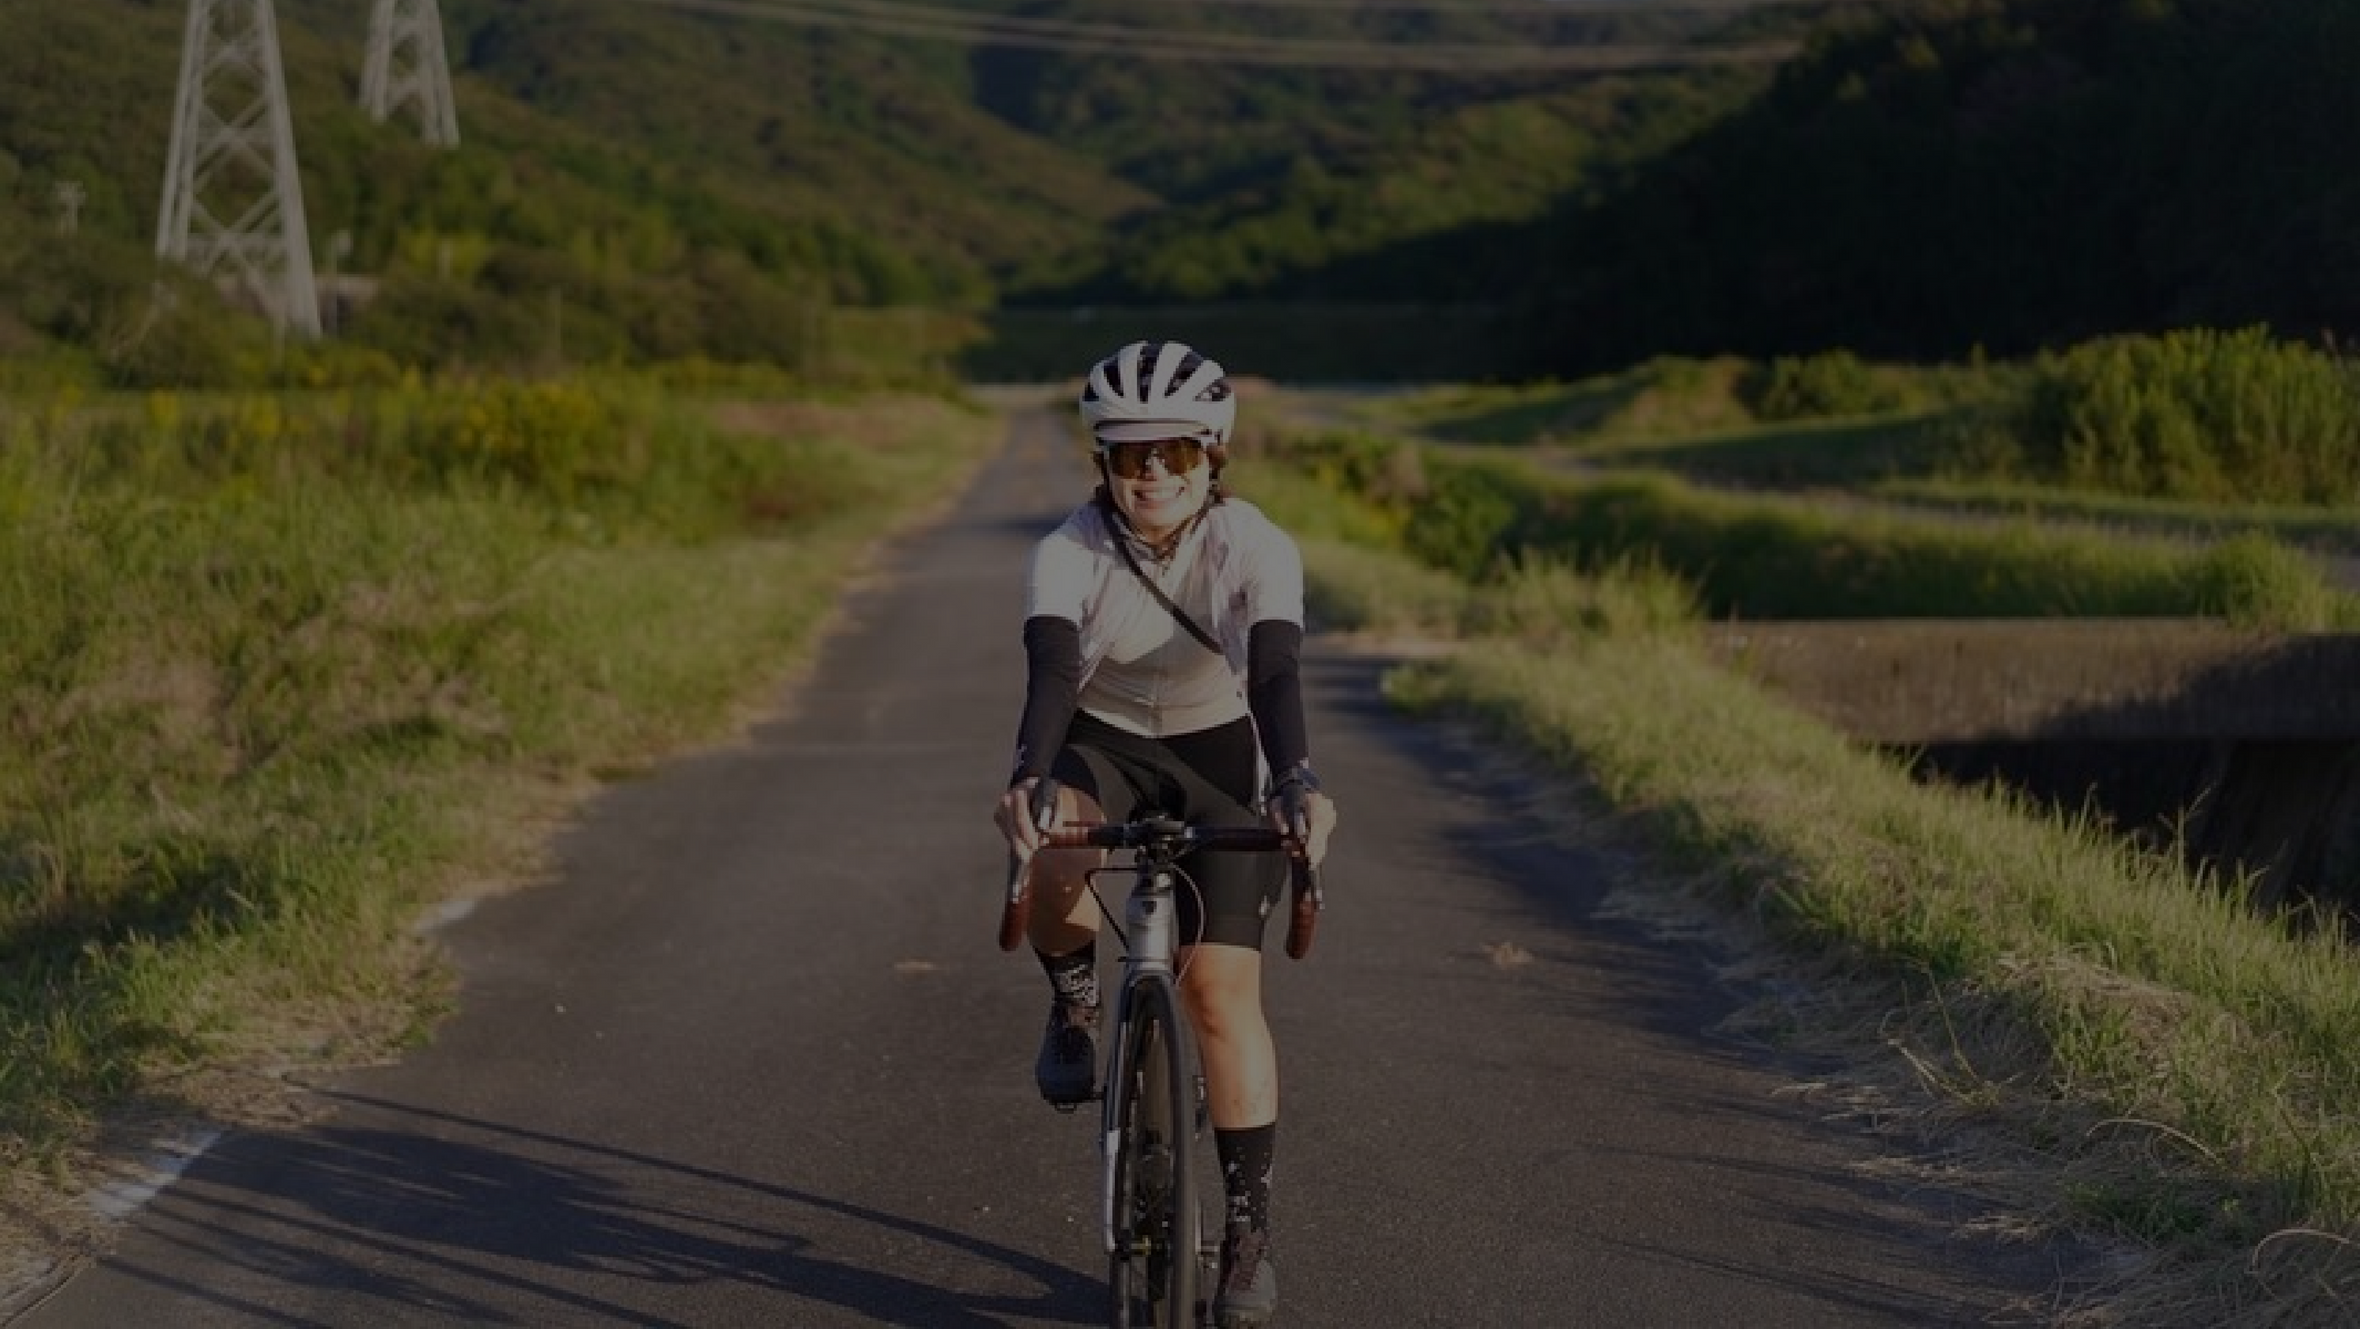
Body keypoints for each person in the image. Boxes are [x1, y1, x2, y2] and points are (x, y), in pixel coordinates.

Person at [994, 339, 1338, 1328]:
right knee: (1053, 838)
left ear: (1210, 458)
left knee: (1218, 994)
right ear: (1098, 461)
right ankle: (1073, 1000)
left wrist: (1300, 780)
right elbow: (1051, 677)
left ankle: (1245, 1233)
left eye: (1174, 454)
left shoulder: (1256, 545)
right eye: (1129, 454)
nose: (1151, 474)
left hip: (1217, 748)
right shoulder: (1064, 552)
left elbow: (1272, 675)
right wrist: (1027, 778)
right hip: (1099, 738)